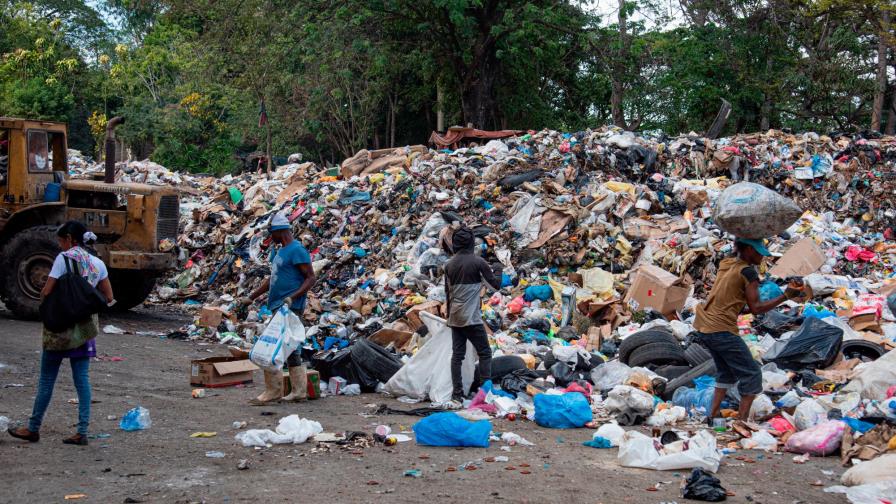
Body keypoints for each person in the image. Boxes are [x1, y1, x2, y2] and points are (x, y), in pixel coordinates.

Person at [8, 221, 114, 446]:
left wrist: (47, 308)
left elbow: (47, 290)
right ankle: (82, 432)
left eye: (61, 240)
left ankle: (33, 428)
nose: (60, 244)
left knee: (47, 379)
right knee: (82, 381)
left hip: (59, 327)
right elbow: (108, 296)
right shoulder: (97, 263)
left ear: (70, 239)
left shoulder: (63, 259)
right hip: (84, 328)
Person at [692, 238, 804, 422]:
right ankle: (742, 421)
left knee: (726, 371)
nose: (762, 256)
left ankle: (712, 415)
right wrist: (786, 296)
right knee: (752, 373)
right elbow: (756, 309)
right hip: (721, 329)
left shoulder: (727, 264)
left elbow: (735, 302)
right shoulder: (748, 272)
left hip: (704, 326)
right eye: (759, 252)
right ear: (749, 250)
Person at [241, 213, 316, 405]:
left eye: (271, 233)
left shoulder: (297, 250)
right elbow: (271, 279)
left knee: (273, 346)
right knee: (286, 347)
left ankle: (275, 391)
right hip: (278, 306)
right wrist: (252, 296)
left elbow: (310, 278)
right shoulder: (279, 251)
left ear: (279, 231)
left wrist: (293, 297)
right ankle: (294, 391)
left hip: (290, 307)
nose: (269, 237)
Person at [443, 227, 500, 403]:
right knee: (484, 352)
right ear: (471, 242)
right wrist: (498, 268)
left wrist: (449, 318)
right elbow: (496, 285)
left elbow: (448, 293)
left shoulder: (449, 265)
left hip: (455, 317)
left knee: (457, 356)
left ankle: (457, 395)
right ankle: (485, 392)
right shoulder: (478, 262)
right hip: (472, 318)